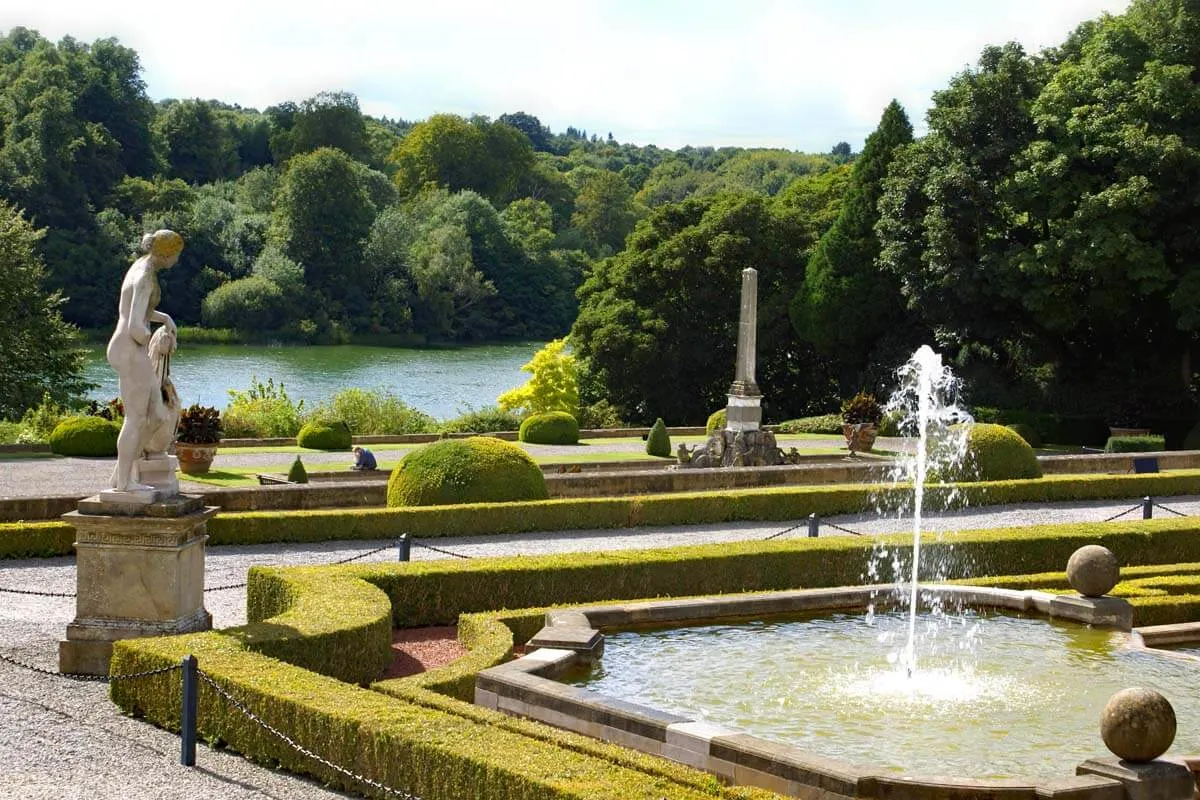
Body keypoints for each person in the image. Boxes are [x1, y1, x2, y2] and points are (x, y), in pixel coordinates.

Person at [107, 230, 183, 493]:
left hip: (128, 348)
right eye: (177, 255)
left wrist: (164, 319)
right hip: (129, 348)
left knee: (157, 415)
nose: (177, 260)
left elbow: (138, 310)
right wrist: (158, 338)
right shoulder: (145, 277)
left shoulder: (142, 266)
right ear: (167, 254)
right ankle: (125, 484)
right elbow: (136, 327)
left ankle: (122, 474)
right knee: (137, 418)